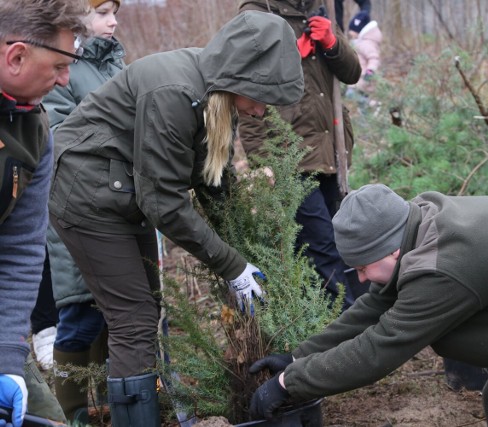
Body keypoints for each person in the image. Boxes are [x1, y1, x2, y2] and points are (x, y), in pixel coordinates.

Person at [48, 10, 303, 426]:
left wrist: (242, 241)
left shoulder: (215, 94)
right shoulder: (174, 91)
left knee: (144, 307)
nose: (260, 112)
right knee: (134, 319)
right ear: (240, 79)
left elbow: (213, 180)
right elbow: (164, 202)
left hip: (125, 192)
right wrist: (231, 264)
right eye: (261, 98)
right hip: (87, 197)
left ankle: (131, 407)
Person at [249, 184, 488, 426]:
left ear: (393, 249)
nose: (362, 279)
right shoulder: (418, 223)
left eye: (364, 268)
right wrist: (298, 358)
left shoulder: (444, 267)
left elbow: (380, 349)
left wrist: (290, 386)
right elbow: (375, 308)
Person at [238, 0, 362, 311]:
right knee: (322, 247)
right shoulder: (257, 15)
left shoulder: (320, 8)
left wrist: (332, 43)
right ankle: (346, 325)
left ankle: (347, 318)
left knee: (343, 241)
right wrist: (292, 54)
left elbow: (353, 72)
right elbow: (244, 91)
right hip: (290, 156)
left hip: (331, 150)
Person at [0, 0, 87, 425]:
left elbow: (20, 248)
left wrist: (7, 358)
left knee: (46, 419)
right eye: (58, 65)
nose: (65, 79)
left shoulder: (35, 131)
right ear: (16, 56)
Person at [42, 0, 125, 423]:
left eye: (115, 11)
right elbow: (56, 132)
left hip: (122, 201)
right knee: (80, 312)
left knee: (119, 313)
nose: (112, 21)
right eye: (102, 12)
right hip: (77, 204)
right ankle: (71, 411)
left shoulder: (117, 62)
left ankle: (113, 401)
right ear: (76, 19)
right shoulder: (59, 66)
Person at [346, 10, 382, 106]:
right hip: (359, 79)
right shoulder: (360, 43)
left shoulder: (365, 44)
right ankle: (368, 109)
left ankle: (373, 104)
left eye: (352, 33)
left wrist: (370, 71)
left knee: (353, 96)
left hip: (364, 79)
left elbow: (374, 58)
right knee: (360, 104)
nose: (351, 35)